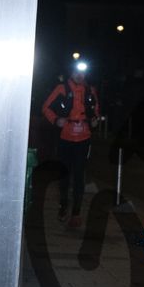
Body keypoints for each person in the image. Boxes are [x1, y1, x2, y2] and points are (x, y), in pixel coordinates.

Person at [41, 61, 101, 228]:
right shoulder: (62, 89)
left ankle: (76, 213)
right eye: (76, 72)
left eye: (82, 72)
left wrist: (95, 120)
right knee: (64, 175)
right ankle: (63, 206)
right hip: (65, 138)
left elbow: (96, 110)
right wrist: (55, 120)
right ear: (71, 73)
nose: (79, 75)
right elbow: (45, 107)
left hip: (84, 138)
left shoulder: (90, 91)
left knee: (79, 175)